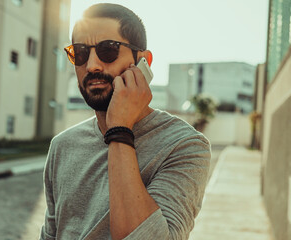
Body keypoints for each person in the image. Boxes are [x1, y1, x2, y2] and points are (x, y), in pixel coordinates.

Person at [40, 3, 210, 240]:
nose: (91, 65)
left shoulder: (185, 146)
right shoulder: (62, 146)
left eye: (107, 50)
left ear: (143, 62)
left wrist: (119, 129)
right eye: (80, 52)